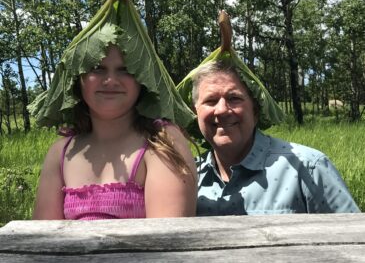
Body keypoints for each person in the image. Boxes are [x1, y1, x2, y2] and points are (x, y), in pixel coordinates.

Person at [32, 44, 197, 220]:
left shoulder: (162, 141)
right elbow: (44, 236)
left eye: (125, 70)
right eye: (97, 68)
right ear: (78, 79)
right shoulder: (61, 153)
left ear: (142, 80)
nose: (111, 80)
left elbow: (167, 239)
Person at [189, 59, 360, 215]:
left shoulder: (308, 168)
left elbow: (354, 239)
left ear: (255, 111)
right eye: (210, 101)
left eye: (234, 98)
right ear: (195, 112)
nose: (221, 110)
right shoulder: (186, 177)